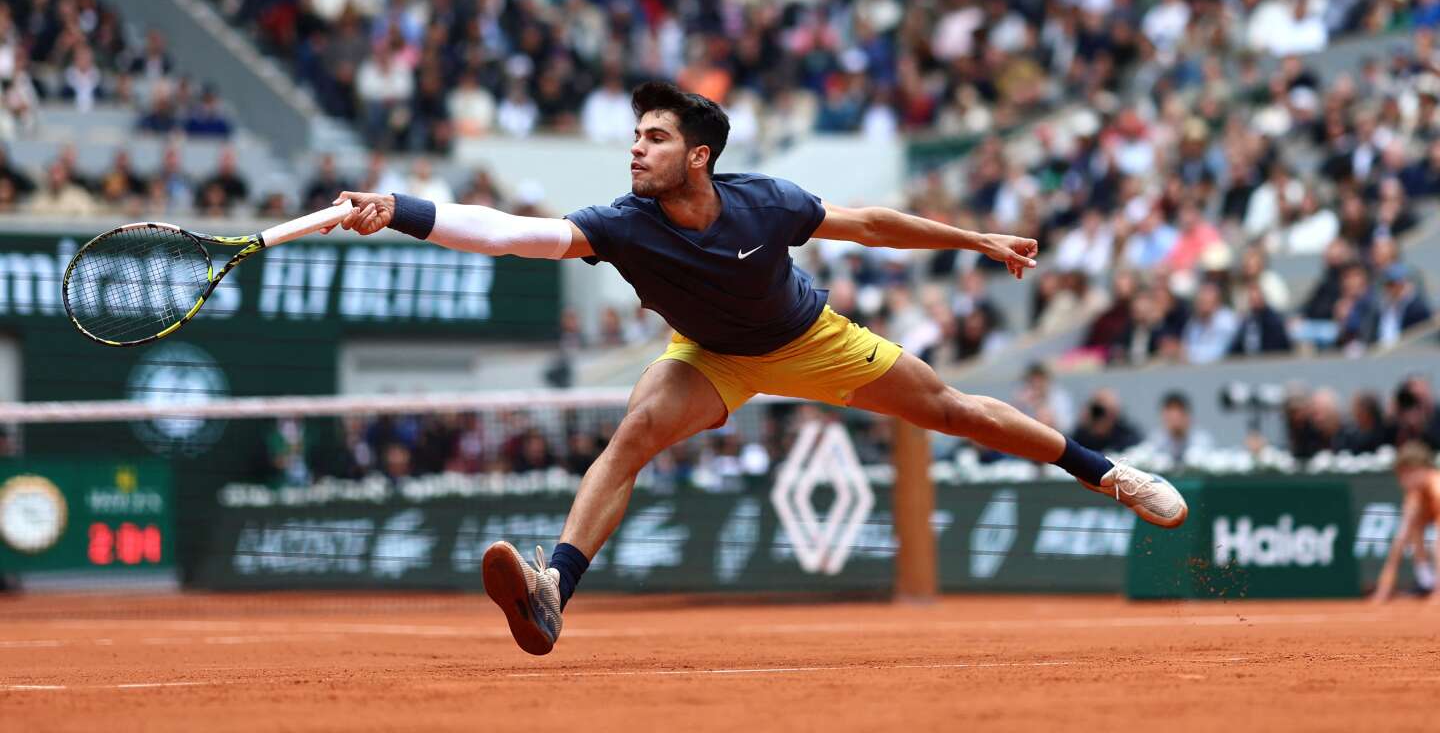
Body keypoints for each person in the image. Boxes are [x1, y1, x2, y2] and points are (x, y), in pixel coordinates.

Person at [330, 81, 1188, 656]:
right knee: (632, 434)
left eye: (655, 138)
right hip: (708, 358)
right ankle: (553, 590)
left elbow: (873, 225)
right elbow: (514, 233)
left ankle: (1111, 475)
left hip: (809, 337)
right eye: (635, 136)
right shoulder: (621, 223)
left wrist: (977, 239)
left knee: (952, 409)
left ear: (697, 156)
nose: (636, 150)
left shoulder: (764, 202)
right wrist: (400, 208)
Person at [1372, 442, 1440, 604]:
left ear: (1416, 469)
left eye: (1403, 474)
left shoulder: (1437, 487)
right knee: (1413, 529)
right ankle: (1426, 582)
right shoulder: (1414, 497)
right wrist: (1384, 589)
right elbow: (1399, 542)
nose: (1401, 481)